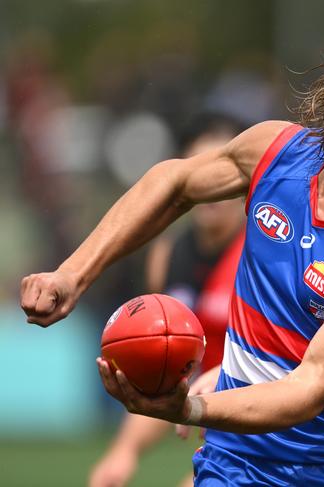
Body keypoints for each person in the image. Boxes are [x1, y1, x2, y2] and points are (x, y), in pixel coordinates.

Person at [21, 18, 324, 486]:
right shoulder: (277, 153)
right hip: (237, 463)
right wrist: (72, 275)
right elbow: (173, 184)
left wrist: (190, 408)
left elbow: (306, 390)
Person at [88, 112, 246, 487]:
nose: (213, 188)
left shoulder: (267, 255)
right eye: (201, 173)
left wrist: (226, 381)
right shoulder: (167, 256)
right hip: (216, 431)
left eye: (222, 174)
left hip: (272, 428)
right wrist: (123, 453)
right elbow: (167, 372)